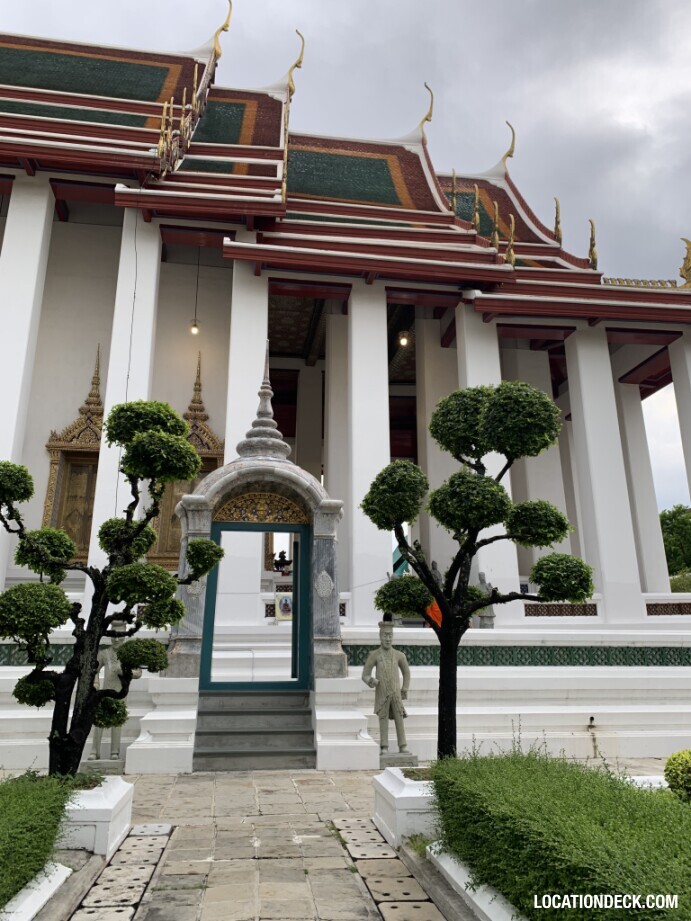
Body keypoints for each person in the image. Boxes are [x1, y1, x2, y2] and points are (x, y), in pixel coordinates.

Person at [88, 623, 141, 761]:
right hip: (104, 692)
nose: (116, 640)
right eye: (114, 637)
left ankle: (114, 751)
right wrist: (96, 682)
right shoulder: (104, 653)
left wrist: (125, 672)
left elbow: (138, 673)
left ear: (125, 636)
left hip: (121, 692)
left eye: (119, 637)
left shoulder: (129, 654)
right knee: (99, 722)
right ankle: (95, 751)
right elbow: (94, 668)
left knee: (117, 722)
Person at [361, 617, 411, 753]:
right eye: (385, 635)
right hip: (382, 692)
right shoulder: (375, 655)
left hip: (395, 692)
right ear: (380, 637)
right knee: (383, 718)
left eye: (390, 636)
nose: (387, 639)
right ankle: (384, 746)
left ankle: (403, 745)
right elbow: (365, 674)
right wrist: (372, 681)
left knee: (399, 717)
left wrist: (405, 688)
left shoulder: (399, 655)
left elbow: (406, 672)